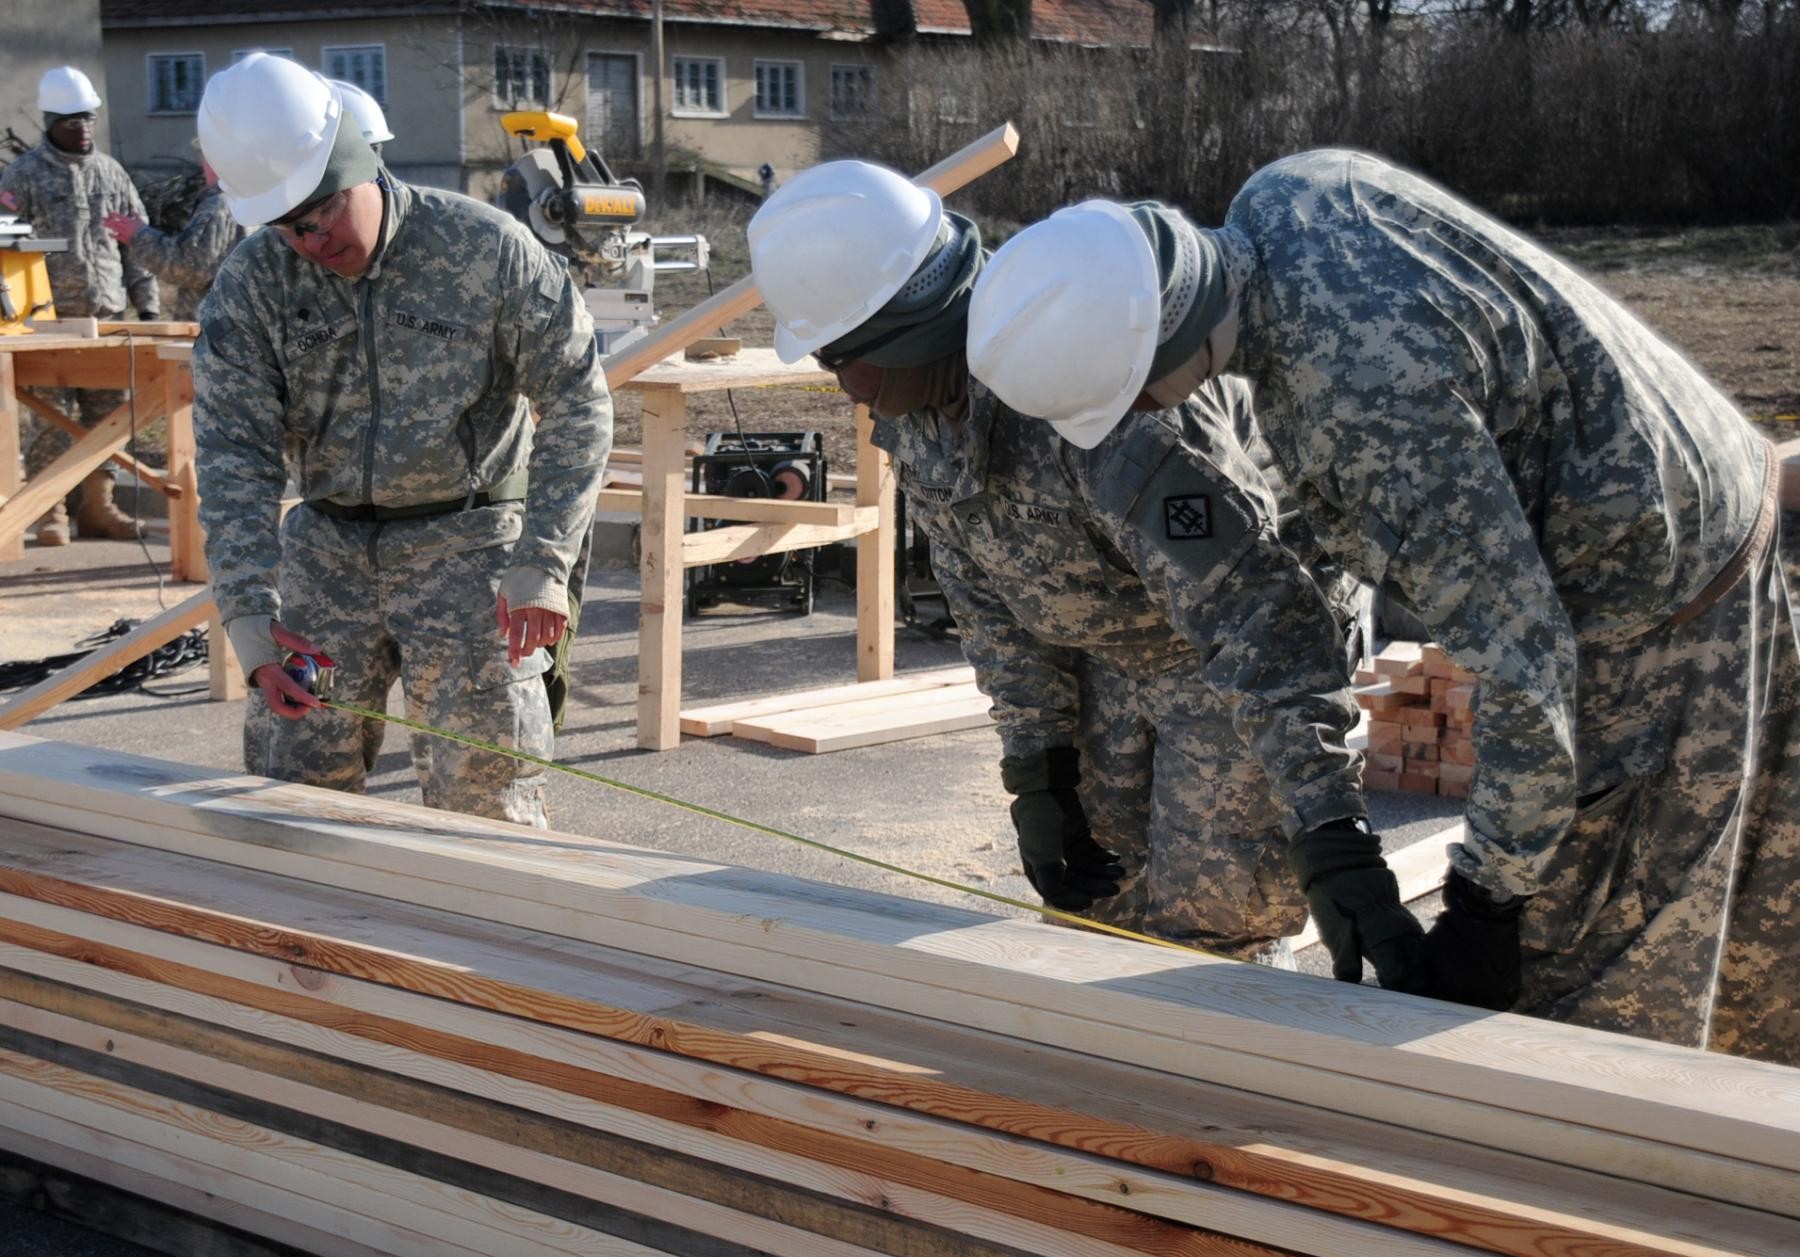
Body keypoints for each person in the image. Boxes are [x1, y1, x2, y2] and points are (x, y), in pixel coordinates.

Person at [966, 153, 1800, 1065]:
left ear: (1165, 351)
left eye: (1134, 396)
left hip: (1666, 597)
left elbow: (1523, 665)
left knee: (1600, 978)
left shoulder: (1362, 410)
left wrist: (1486, 903)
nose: (1150, 413)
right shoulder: (1284, 195)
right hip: (1686, 508)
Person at [750, 161, 1421, 979]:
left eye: (837, 360)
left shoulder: (1089, 380)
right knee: (1094, 911)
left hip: (1234, 662)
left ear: (903, 328)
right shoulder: (919, 414)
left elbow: (1262, 620)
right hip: (1116, 650)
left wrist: (1326, 827)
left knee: (1211, 925)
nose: (842, 389)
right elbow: (988, 599)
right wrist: (1038, 772)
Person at [190, 53, 612, 826]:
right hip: (325, 553)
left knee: (485, 801)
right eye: (286, 227)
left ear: (359, 164)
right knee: (290, 792)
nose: (308, 242)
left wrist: (543, 562)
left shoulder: (486, 248)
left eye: (319, 216)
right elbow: (231, 452)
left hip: (470, 547)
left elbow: (579, 402)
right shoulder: (254, 283)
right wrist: (249, 613)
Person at [0, 65, 160, 545]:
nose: (83, 128)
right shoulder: (23, 176)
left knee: (108, 419)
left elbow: (139, 245)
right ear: (51, 123)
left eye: (88, 119)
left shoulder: (111, 172)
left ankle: (99, 508)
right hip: (45, 323)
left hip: (108, 317)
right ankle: (48, 512)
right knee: (52, 419)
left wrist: (148, 307)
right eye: (71, 121)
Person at [103, 154, 242, 321]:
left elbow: (191, 268)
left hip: (215, 328)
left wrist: (138, 236)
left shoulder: (218, 205)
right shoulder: (249, 202)